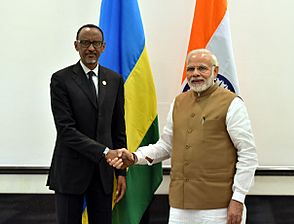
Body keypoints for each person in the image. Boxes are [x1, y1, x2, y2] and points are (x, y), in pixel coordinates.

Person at [108, 49, 258, 224]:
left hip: (219, 206)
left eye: (202, 68)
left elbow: (248, 154)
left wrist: (238, 198)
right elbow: (166, 145)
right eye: (191, 69)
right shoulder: (179, 102)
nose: (195, 74)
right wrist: (135, 157)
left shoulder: (232, 103)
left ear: (215, 72)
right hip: (180, 206)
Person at [47, 24, 127, 224]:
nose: (91, 48)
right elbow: (66, 130)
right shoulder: (61, 79)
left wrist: (121, 172)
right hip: (70, 173)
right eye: (85, 43)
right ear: (76, 45)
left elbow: (118, 128)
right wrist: (104, 151)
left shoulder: (115, 80)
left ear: (103, 47)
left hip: (103, 174)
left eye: (96, 43)